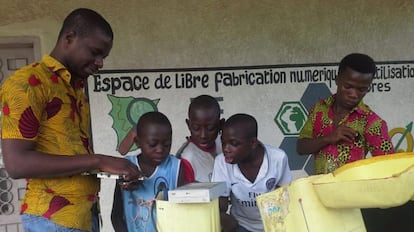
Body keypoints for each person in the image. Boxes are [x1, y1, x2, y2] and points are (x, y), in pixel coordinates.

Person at [0, 8, 141, 232]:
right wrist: (97, 161)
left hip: (84, 216)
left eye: (103, 57)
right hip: (52, 221)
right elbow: (17, 163)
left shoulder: (74, 87)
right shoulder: (27, 83)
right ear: (69, 39)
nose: (100, 63)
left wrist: (112, 170)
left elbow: (70, 156)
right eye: (95, 52)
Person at [297, 53, 395, 175]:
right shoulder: (319, 110)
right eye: (348, 86)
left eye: (361, 89)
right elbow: (301, 147)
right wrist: (328, 139)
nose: (353, 94)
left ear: (368, 88)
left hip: (352, 192)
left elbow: (389, 167)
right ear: (337, 80)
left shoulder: (372, 123)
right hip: (318, 191)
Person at [111, 111, 191, 232]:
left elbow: (184, 212)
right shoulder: (126, 167)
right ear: (138, 142)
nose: (160, 149)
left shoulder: (176, 167)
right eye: (153, 144)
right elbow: (116, 215)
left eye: (166, 144)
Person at [212, 113, 292, 232]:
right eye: (223, 142)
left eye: (234, 144)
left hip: (274, 224)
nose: (225, 149)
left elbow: (285, 196)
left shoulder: (278, 158)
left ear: (253, 143)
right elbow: (221, 206)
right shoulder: (221, 163)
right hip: (241, 225)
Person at [176, 94, 225, 182]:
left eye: (210, 128)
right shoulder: (186, 157)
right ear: (188, 125)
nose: (203, 135)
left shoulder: (226, 144)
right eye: (196, 128)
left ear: (220, 125)